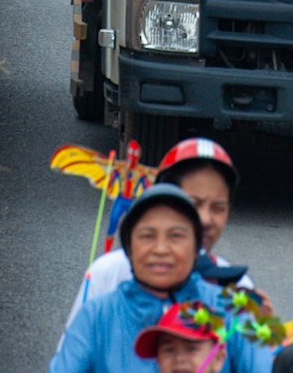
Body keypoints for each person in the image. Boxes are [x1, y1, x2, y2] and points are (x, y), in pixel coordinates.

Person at [50, 185, 273, 373]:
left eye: (176, 236)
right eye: (147, 236)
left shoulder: (232, 310)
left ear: (197, 248)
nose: (160, 249)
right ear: (129, 247)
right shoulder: (97, 316)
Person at [67, 138, 250, 328]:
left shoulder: (236, 286)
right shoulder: (107, 273)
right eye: (194, 204)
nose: (205, 220)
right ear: (161, 201)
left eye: (218, 208)